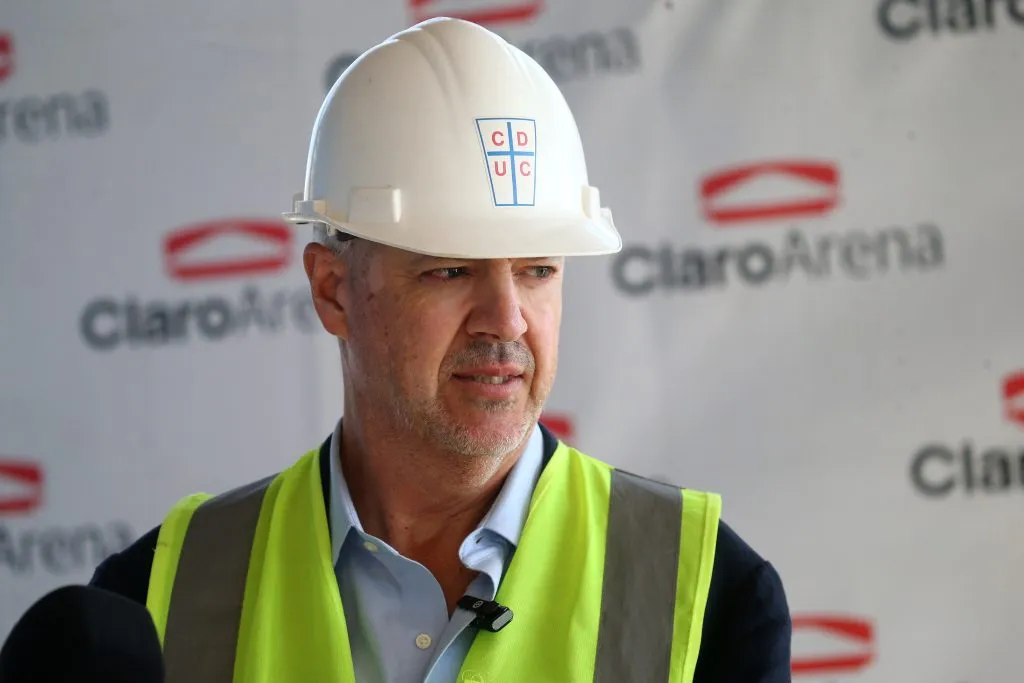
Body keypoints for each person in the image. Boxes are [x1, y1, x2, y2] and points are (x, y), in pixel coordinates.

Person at [89, 16, 791, 683]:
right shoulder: (158, 600)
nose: (507, 321)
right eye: (450, 270)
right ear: (333, 291)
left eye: (537, 269)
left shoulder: (707, 599)